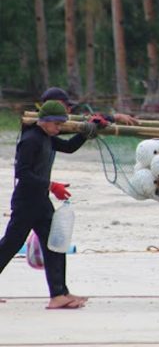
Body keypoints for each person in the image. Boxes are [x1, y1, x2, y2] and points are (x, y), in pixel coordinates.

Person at [0, 101, 98, 308]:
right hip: (26, 202)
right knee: (11, 244)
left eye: (61, 125)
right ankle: (58, 293)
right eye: (57, 124)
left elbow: (69, 147)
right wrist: (52, 185)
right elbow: (23, 173)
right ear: (44, 121)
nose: (59, 129)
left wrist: (88, 130)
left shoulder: (47, 136)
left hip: (41, 201)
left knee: (55, 244)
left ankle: (59, 294)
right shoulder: (30, 139)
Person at [40, 87, 139, 126]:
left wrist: (114, 117)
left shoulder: (50, 126)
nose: (69, 110)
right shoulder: (41, 126)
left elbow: (68, 147)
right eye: (66, 106)